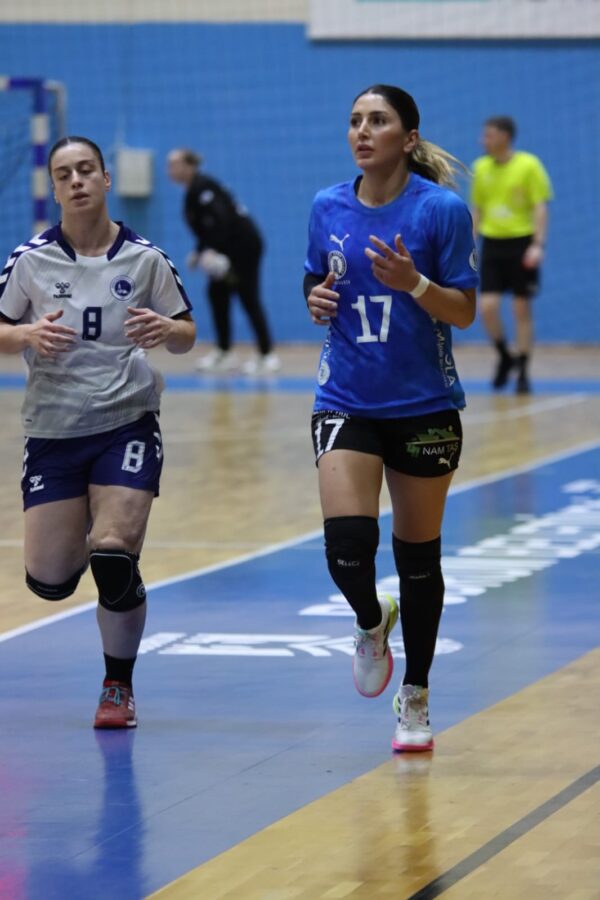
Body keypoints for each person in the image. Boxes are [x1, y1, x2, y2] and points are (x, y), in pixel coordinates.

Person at [0, 136, 196, 729]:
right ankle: (89, 537)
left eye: (86, 170)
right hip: (54, 429)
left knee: (112, 555)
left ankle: (118, 685)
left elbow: (186, 333)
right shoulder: (30, 260)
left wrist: (167, 329)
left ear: (106, 179)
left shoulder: (145, 258)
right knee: (50, 581)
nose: (77, 181)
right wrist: (26, 335)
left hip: (125, 419)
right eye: (64, 174)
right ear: (54, 188)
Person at [304, 85, 478, 752]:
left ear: (408, 138)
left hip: (424, 405)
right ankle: (371, 619)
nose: (362, 130)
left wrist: (414, 284)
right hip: (345, 396)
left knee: (418, 558)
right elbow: (315, 278)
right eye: (355, 120)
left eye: (377, 121)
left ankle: (417, 693)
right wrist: (316, 298)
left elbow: (463, 311)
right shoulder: (327, 205)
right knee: (347, 548)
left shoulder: (441, 211)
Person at [167, 148, 280, 375]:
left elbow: (222, 221)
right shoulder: (193, 191)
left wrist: (213, 252)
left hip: (243, 248)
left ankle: (267, 356)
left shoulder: (204, 187)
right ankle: (224, 352)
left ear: (189, 166)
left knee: (248, 296)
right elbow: (206, 228)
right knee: (217, 294)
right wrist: (200, 251)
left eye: (174, 164)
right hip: (225, 249)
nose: (169, 170)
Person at [471, 116, 553, 394]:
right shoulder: (480, 168)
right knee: (487, 307)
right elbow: (478, 209)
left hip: (521, 242)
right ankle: (505, 356)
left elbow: (540, 206)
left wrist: (538, 244)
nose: (483, 140)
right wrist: (470, 243)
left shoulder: (529, 165)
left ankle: (524, 371)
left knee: (521, 308)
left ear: (505, 136)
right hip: (492, 244)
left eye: (489, 135)